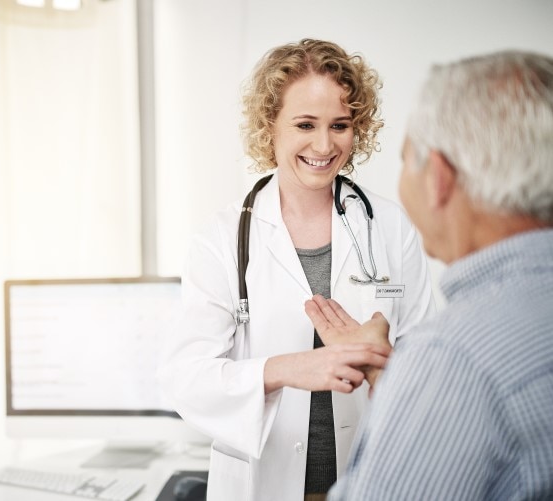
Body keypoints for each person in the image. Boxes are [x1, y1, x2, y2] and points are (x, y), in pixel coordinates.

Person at [157, 39, 435, 501]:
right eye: (305, 124)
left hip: (373, 480)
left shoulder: (388, 227)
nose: (324, 145)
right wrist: (287, 369)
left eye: (340, 125)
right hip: (263, 484)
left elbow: (430, 368)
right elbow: (185, 377)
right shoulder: (223, 239)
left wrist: (382, 360)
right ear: (270, 126)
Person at [305, 49, 553, 500]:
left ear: (437, 177)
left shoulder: (452, 355)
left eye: (407, 159)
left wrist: (418, 375)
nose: (324, 144)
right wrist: (387, 373)